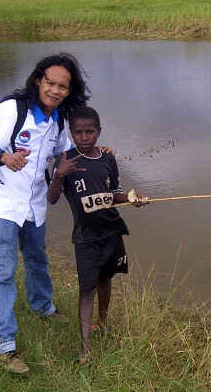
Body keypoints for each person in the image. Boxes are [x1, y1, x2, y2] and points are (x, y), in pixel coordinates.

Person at [0, 53, 95, 375]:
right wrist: (3, 157)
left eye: (62, 86)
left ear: (70, 91)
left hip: (34, 204)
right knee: (3, 271)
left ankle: (43, 307)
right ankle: (2, 345)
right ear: (38, 80)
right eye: (50, 82)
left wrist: (97, 152)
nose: (54, 90)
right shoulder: (11, 110)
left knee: (38, 258)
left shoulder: (57, 120)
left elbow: (65, 152)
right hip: (3, 204)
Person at [47, 105, 148, 364]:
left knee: (106, 279)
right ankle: (85, 348)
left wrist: (133, 199)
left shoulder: (107, 158)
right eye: (78, 132)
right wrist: (59, 175)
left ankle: (103, 324)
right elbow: (53, 198)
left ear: (98, 132)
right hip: (85, 237)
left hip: (111, 231)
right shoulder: (65, 160)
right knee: (86, 288)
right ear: (71, 133)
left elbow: (116, 194)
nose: (84, 137)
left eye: (89, 132)